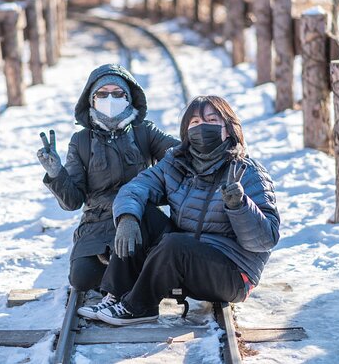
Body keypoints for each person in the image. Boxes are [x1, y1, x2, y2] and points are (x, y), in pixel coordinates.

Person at [78, 95, 280, 325]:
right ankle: (116, 295)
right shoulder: (177, 163)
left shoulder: (248, 172)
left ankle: (139, 307)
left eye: (212, 120)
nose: (202, 126)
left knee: (175, 244)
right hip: (184, 262)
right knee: (140, 214)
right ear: (186, 132)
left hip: (232, 273)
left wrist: (239, 205)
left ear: (229, 129)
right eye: (194, 123)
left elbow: (265, 241)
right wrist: (127, 217)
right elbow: (136, 187)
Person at [36, 63, 179, 299]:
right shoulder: (81, 140)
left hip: (141, 216)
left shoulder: (144, 131)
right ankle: (122, 266)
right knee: (81, 280)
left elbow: (178, 153)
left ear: (129, 98)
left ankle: (127, 268)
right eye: (102, 94)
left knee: (160, 258)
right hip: (98, 221)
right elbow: (72, 202)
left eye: (117, 93)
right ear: (91, 100)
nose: (109, 99)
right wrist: (55, 173)